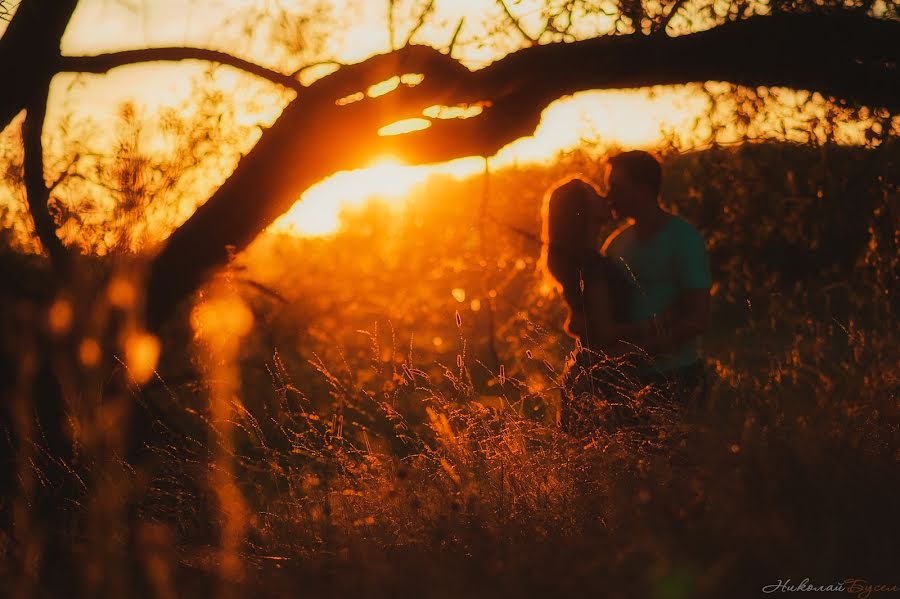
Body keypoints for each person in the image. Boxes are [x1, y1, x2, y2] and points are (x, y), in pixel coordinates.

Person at [539, 176, 658, 436]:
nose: (605, 197)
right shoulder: (590, 266)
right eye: (595, 194)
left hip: (590, 373)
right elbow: (603, 332)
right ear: (582, 211)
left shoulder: (581, 261)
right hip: (604, 380)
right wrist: (650, 326)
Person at [600, 150, 713, 412]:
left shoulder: (683, 238)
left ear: (642, 189)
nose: (609, 196)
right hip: (627, 381)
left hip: (678, 376)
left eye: (616, 187)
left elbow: (699, 319)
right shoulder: (616, 244)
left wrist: (636, 354)